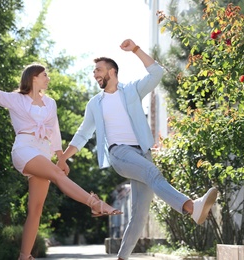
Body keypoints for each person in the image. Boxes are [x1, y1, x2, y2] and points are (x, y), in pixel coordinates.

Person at [58, 39, 218, 260]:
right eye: (94, 71)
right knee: (153, 173)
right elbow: (83, 134)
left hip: (141, 153)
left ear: (112, 72)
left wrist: (135, 50)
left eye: (99, 70)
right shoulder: (95, 104)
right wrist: (63, 158)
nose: (95, 74)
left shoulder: (131, 90)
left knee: (140, 214)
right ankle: (191, 207)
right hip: (119, 154)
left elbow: (156, 73)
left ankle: (122, 257)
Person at [0, 37, 122, 260]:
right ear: (34, 77)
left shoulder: (50, 102)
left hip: (43, 153)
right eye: (45, 75)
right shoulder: (16, 99)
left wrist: (61, 158)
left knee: (36, 209)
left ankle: (24, 256)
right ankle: (95, 203)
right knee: (54, 175)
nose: (48, 79)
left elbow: (54, 131)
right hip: (24, 149)